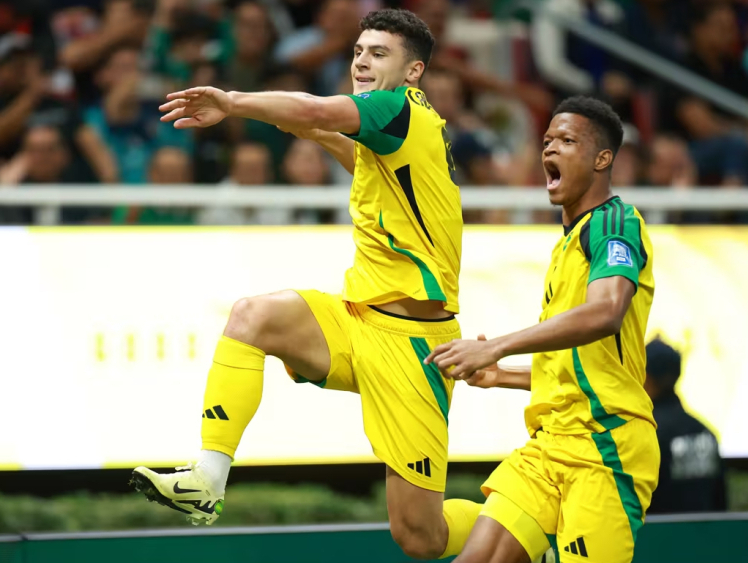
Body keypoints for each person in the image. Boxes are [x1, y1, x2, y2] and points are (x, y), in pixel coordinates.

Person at [131, 8, 477, 560]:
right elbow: (359, 158)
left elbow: (316, 108)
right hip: (358, 319)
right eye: (358, 51)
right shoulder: (394, 129)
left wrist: (234, 102)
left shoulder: (398, 107)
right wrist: (314, 132)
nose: (362, 61)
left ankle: (525, 525)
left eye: (379, 53)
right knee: (252, 316)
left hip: (417, 349)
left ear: (413, 72)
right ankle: (207, 478)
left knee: (420, 536)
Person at [425, 97, 660, 563]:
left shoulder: (615, 222)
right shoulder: (566, 245)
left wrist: (495, 349)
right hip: (550, 442)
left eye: (567, 140)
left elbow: (606, 311)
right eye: (547, 140)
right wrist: (503, 375)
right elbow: (579, 368)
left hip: (605, 445)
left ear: (602, 159)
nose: (550, 148)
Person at [642, 338, 727, 515]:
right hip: (706, 532)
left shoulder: (647, 434)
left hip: (657, 533)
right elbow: (720, 504)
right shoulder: (706, 432)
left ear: (646, 378)